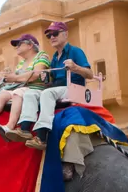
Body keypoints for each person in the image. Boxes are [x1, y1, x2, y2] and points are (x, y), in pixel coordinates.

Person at [8, 22, 93, 151]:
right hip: (56, 88)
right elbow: (51, 79)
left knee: (48, 94)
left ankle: (42, 136)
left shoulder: (75, 51)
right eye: (49, 35)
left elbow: (90, 74)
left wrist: (75, 67)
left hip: (74, 88)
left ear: (65, 34)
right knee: (30, 93)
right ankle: (25, 128)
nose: (52, 37)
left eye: (55, 33)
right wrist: (45, 78)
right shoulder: (54, 58)